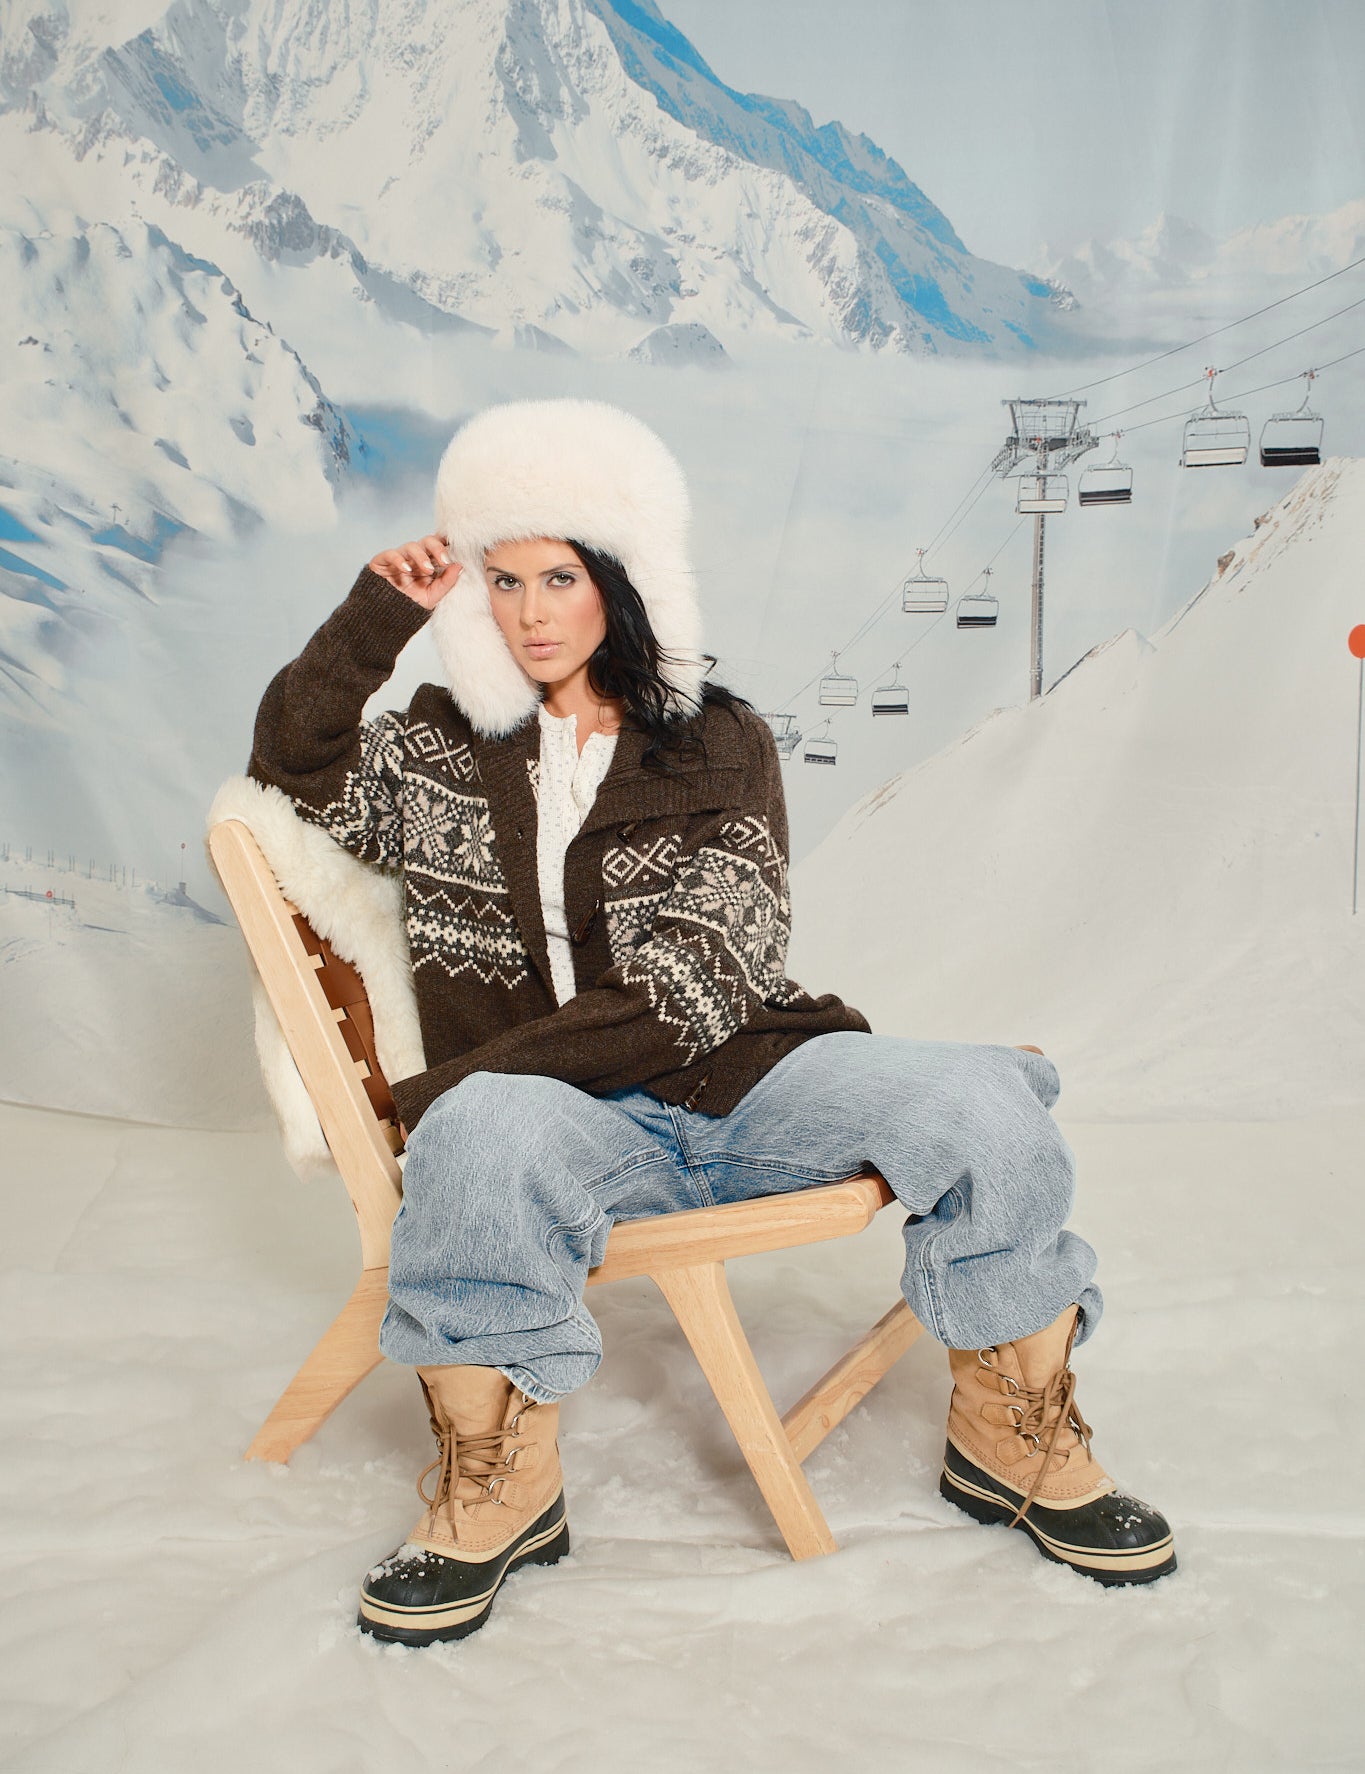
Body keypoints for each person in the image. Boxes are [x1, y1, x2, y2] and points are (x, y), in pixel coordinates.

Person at [248, 398, 1174, 1647]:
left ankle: (1011, 1430)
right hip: (562, 1125)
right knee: (477, 1137)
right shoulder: (439, 747)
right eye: (503, 578)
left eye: (560, 577)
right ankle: (500, 1488)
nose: (529, 612)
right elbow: (293, 763)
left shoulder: (718, 740)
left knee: (982, 1100)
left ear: (619, 585)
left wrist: (452, 1086)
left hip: (743, 1083)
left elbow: (696, 992)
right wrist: (375, 619)